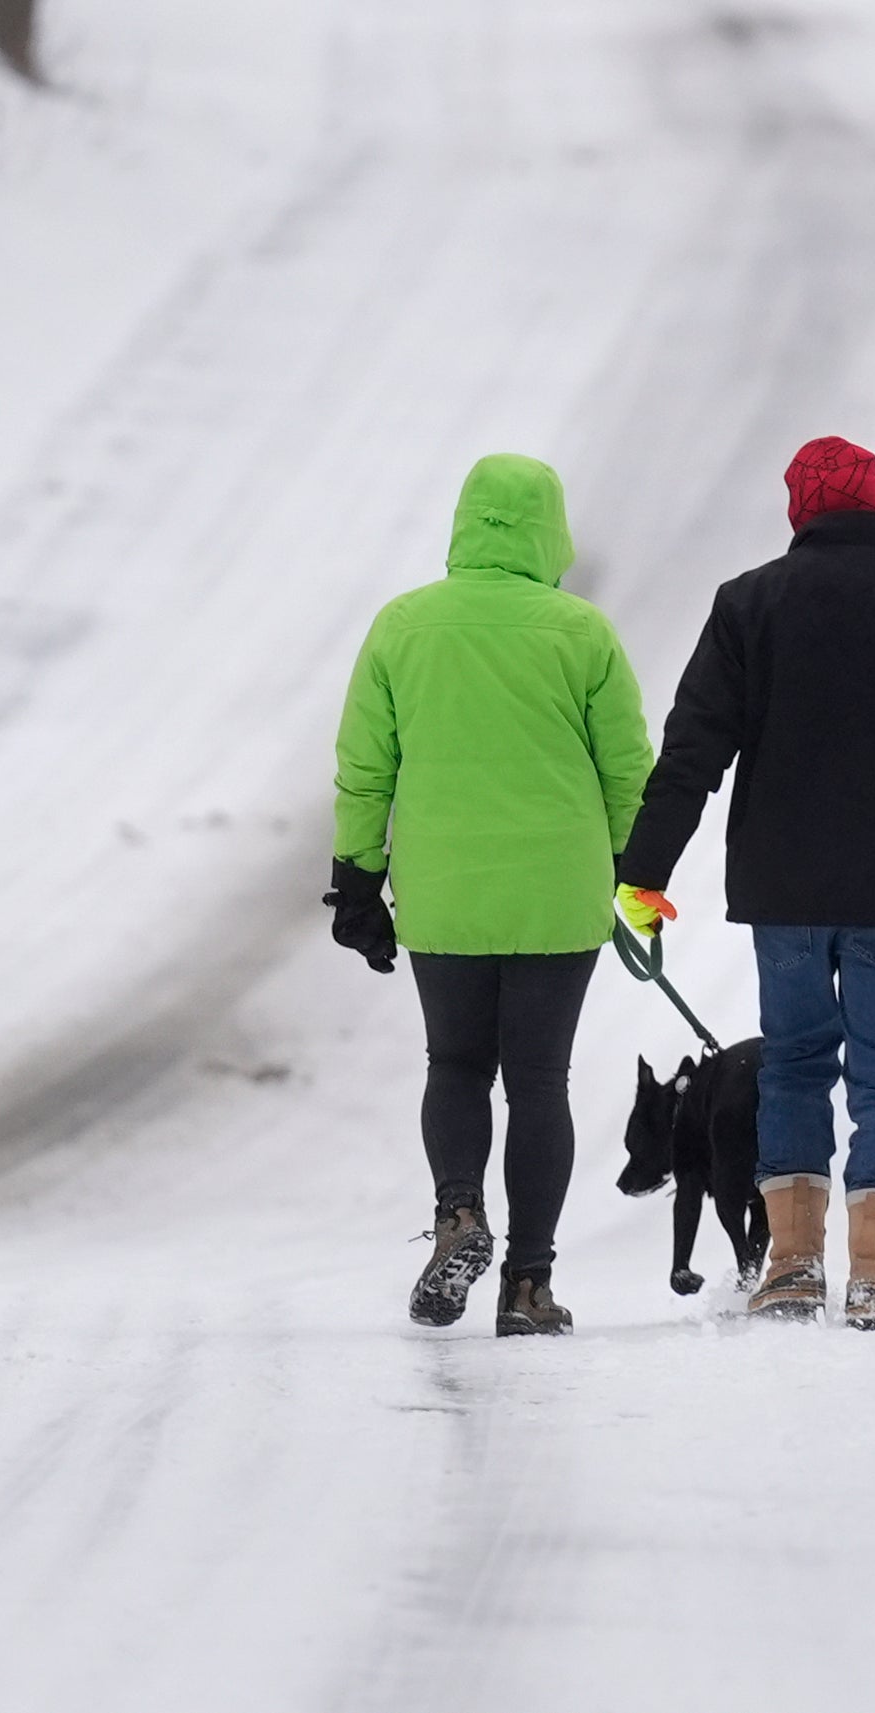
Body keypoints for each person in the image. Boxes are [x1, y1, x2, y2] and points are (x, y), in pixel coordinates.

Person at [610, 436, 875, 1331]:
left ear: (800, 512)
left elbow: (692, 749)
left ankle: (791, 1266)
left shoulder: (748, 604)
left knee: (792, 1067)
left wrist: (643, 870)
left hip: (784, 888)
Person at [328, 454, 653, 1337]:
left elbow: (366, 766)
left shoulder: (403, 625)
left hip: (445, 887)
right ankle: (527, 1287)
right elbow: (628, 768)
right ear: (552, 529)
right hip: (558, 888)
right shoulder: (579, 631)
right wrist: (636, 878)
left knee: (457, 1065)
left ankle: (458, 1213)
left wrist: (356, 877)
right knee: (539, 1081)